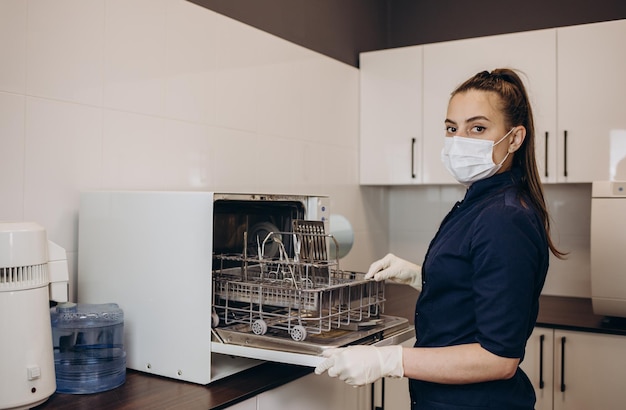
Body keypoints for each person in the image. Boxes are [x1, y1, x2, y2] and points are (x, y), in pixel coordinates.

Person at [315, 68, 566, 409]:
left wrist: (389, 361)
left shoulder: (505, 217)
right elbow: (478, 286)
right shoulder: (482, 203)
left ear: (515, 138)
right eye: (452, 128)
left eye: (477, 128)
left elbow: (499, 359)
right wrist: (422, 276)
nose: (459, 140)